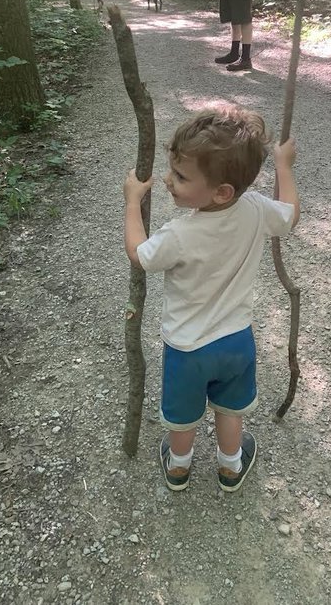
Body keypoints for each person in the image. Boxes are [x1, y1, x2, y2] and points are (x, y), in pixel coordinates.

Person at [123, 105, 300, 493]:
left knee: (183, 415)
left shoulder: (178, 234)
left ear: (222, 191)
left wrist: (132, 202)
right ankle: (230, 468)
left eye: (181, 176)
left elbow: (138, 254)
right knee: (229, 409)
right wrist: (284, 166)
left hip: (187, 348)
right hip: (236, 341)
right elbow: (288, 217)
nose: (169, 181)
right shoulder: (255, 210)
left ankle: (179, 468)